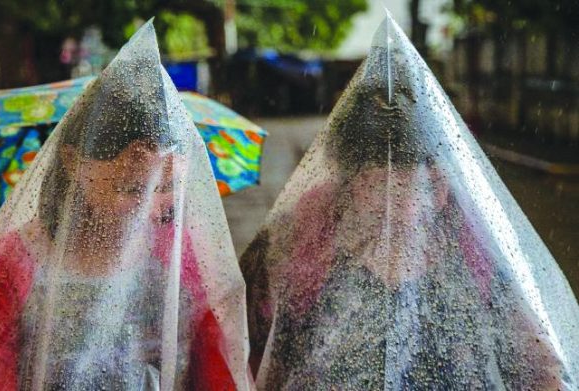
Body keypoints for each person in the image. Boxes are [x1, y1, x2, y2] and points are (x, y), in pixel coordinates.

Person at [241, 15, 579, 390]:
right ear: (345, 178)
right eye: (382, 184)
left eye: (420, 182)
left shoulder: (476, 246)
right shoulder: (296, 245)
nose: (404, 202)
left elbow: (536, 352)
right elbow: (248, 346)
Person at [0, 21, 251, 391]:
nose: (155, 210)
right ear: (74, 162)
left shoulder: (179, 254)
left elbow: (219, 369)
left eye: (169, 188)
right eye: (131, 189)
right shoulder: (9, 268)